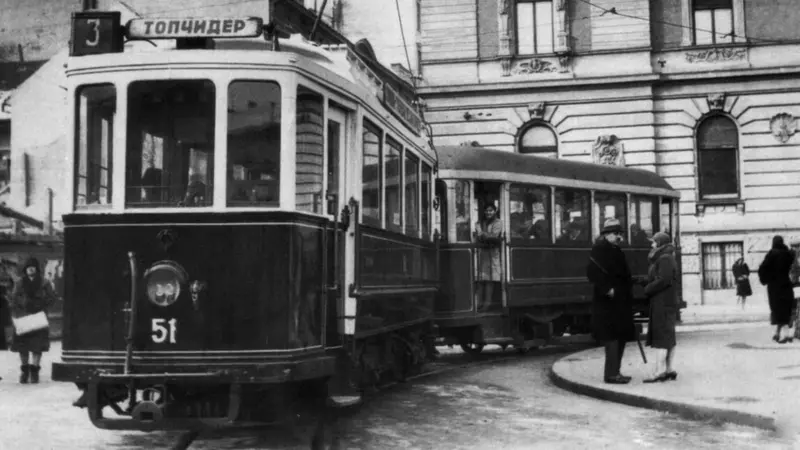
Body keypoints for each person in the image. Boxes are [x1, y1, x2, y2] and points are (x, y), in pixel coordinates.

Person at [586, 218, 636, 384]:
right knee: (613, 337)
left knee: (620, 336)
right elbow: (592, 273)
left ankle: (616, 372)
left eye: (619, 233)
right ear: (606, 234)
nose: (619, 236)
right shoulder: (599, 250)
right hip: (608, 303)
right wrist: (607, 289)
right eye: (615, 233)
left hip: (620, 301)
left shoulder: (615, 250)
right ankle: (611, 374)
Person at [8, 257, 57, 384]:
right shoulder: (19, 282)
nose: (31, 269)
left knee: (37, 346)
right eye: (28, 267)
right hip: (23, 317)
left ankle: (34, 372)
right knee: (22, 346)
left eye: (33, 267)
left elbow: (52, 298)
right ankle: (24, 371)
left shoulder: (44, 282)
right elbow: (14, 298)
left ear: (36, 269)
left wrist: (42, 305)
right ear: (25, 269)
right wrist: (20, 308)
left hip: (39, 317)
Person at [642, 232, 679, 383]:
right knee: (668, 337)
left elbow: (663, 280)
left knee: (661, 338)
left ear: (660, 243)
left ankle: (659, 372)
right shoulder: (667, 257)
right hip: (666, 302)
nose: (652, 245)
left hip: (662, 302)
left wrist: (647, 289)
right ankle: (669, 369)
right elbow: (660, 278)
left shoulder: (664, 258)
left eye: (654, 242)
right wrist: (643, 281)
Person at [758, 236, 796, 344]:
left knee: (778, 310)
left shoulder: (772, 253)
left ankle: (786, 335)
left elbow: (762, 268)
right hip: (786, 284)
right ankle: (777, 333)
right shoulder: (788, 254)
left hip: (775, 286)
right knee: (785, 309)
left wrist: (765, 279)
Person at [475, 203, 503, 312]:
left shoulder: (498, 222)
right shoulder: (480, 222)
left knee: (490, 280)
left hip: (493, 254)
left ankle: (487, 304)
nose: (488, 212)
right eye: (487, 210)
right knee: (480, 279)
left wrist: (483, 234)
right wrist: (484, 235)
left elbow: (493, 236)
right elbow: (479, 235)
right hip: (482, 254)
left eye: (491, 210)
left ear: (495, 211)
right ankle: (479, 303)